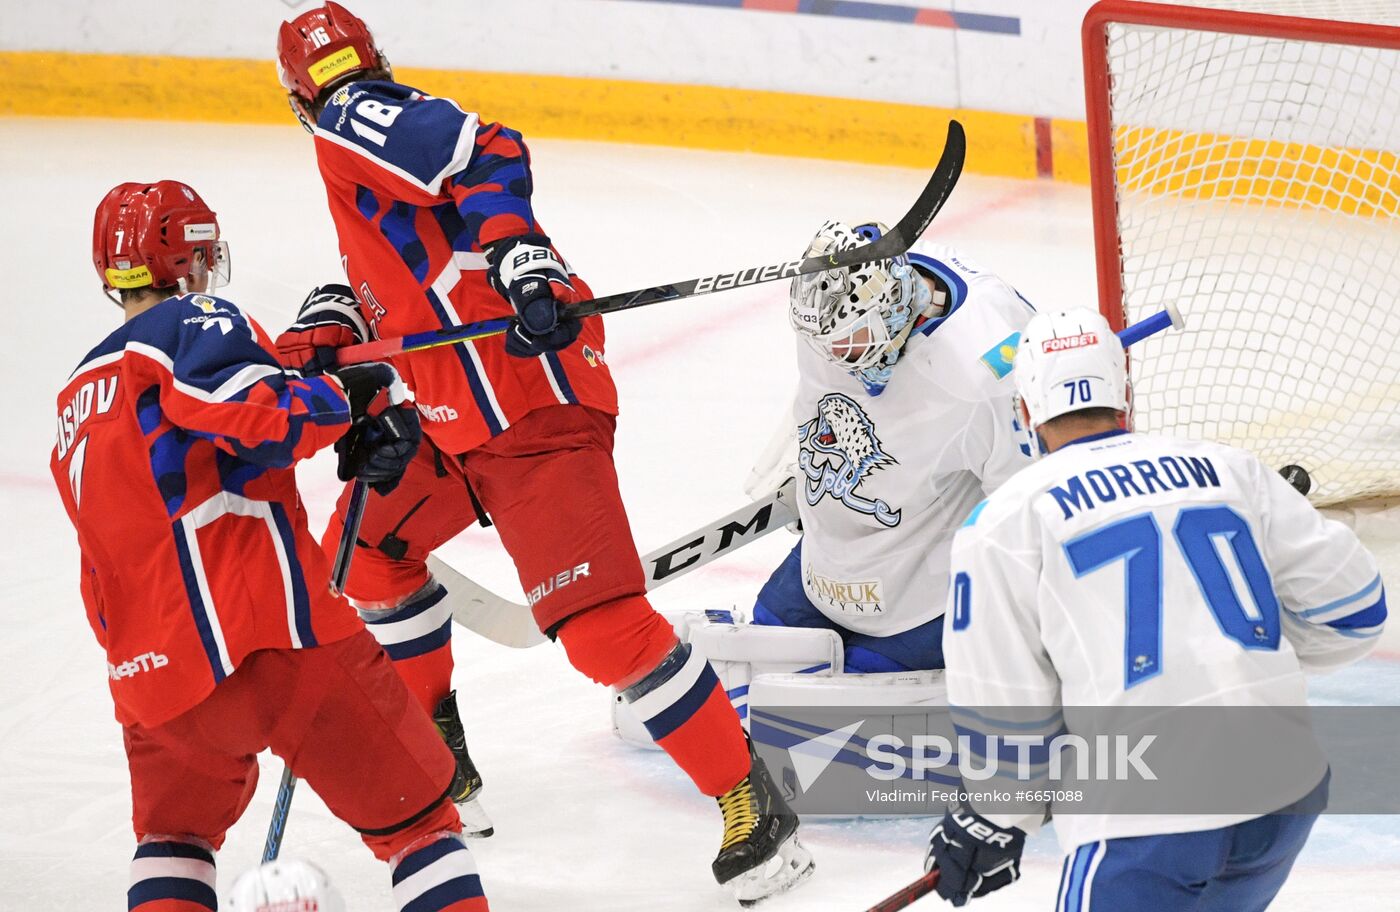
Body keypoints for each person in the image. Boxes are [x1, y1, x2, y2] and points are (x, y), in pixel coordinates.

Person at [274, 4, 812, 900]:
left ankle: (751, 797)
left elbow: (485, 147)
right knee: (367, 550)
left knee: (602, 629)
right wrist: (337, 320)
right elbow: (409, 269)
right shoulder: (357, 149)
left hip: (529, 408)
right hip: (458, 419)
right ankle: (445, 761)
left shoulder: (346, 116)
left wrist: (521, 254)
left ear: (297, 98)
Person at [53, 181, 486, 912]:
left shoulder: (75, 399)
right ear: (186, 258)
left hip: (152, 678)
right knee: (422, 825)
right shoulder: (193, 318)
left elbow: (113, 554)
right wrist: (349, 403)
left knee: (173, 839)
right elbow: (256, 411)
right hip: (275, 640)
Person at [923, 308, 1386, 909]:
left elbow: (1003, 705)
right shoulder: (1230, 468)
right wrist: (1240, 664)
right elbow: (1354, 611)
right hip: (1285, 789)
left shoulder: (1004, 523)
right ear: (1125, 394)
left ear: (1026, 412)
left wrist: (996, 814)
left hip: (1146, 816)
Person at [746, 220, 1035, 673]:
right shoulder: (831, 326)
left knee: (845, 706)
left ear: (892, 312)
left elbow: (1029, 501)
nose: (832, 354)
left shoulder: (984, 370)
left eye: (847, 342)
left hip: (924, 596)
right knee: (763, 661)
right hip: (827, 563)